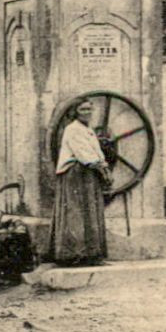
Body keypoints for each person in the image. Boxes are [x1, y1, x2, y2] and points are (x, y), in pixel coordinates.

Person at [52, 98, 110, 265]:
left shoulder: (88, 129)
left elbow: (97, 152)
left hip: (88, 173)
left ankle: (91, 254)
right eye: (82, 110)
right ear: (75, 112)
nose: (87, 113)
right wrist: (102, 169)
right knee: (76, 212)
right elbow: (84, 154)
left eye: (89, 109)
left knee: (90, 211)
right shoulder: (72, 129)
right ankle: (73, 255)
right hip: (76, 173)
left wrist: (103, 165)